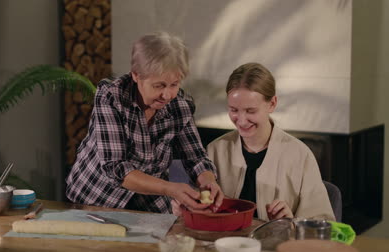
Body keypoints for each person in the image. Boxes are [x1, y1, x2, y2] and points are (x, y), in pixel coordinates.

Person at [66, 32, 224, 214]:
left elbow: (194, 157)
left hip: (150, 202)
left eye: (174, 84)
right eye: (159, 85)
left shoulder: (180, 105)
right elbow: (116, 167)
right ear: (136, 75)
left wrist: (208, 181)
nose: (167, 95)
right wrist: (170, 188)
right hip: (96, 198)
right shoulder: (112, 97)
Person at [173, 62, 335, 221]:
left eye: (251, 111)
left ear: (272, 104)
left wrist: (290, 222)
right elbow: (199, 210)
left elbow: (323, 223)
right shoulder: (215, 150)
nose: (241, 121)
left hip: (277, 246)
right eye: (234, 110)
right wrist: (186, 211)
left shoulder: (300, 155)